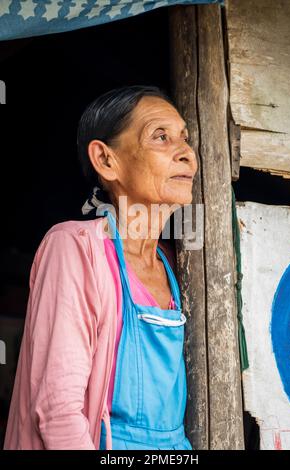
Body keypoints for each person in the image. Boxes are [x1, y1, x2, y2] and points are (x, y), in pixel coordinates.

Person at [4, 85, 197, 450]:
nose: (187, 153)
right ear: (107, 161)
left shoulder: (176, 266)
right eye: (161, 137)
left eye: (184, 139)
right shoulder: (74, 248)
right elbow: (57, 411)